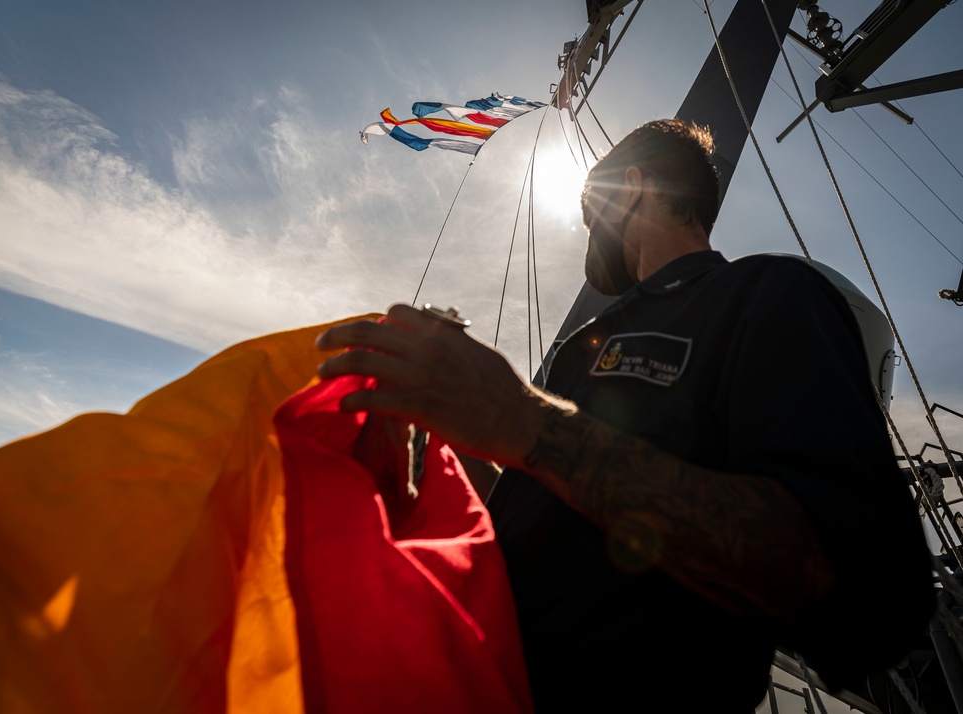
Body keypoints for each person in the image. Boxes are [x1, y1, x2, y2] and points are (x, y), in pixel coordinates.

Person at [315, 119, 932, 711]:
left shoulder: (767, 296)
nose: (586, 233)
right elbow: (562, 521)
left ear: (631, 187)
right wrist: (446, 450)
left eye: (589, 212)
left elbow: (866, 594)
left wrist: (523, 421)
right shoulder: (582, 349)